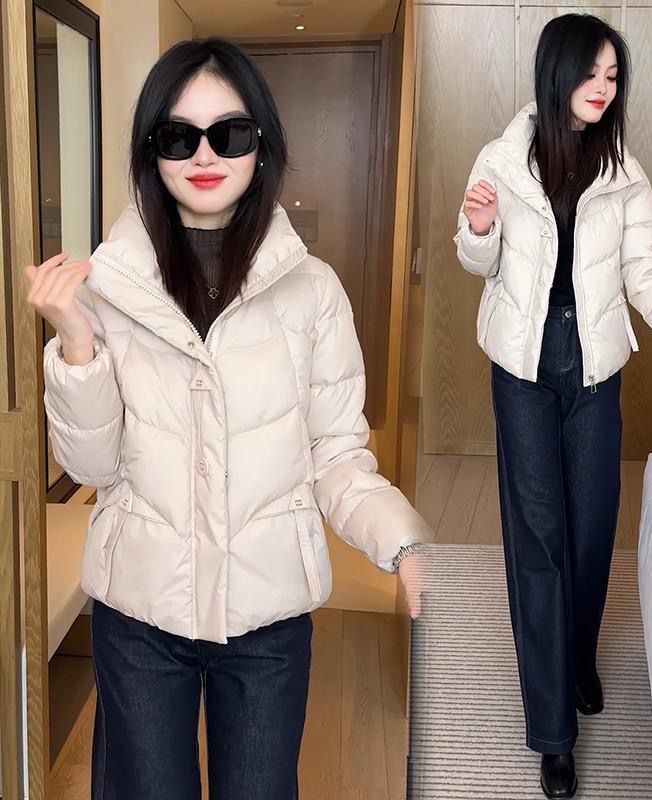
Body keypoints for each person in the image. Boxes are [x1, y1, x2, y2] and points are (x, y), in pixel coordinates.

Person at [25, 38, 427, 800]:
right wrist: (76, 344)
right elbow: (91, 469)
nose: (205, 154)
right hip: (140, 612)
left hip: (266, 618)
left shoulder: (314, 292)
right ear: (152, 152)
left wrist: (403, 542)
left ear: (261, 143)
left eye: (229, 133)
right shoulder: (106, 286)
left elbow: (338, 455)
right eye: (179, 136)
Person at [454, 14, 652, 799]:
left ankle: (576, 657)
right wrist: (478, 228)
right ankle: (554, 734)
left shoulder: (624, 172)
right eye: (590, 73)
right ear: (556, 72)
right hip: (522, 367)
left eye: (613, 76)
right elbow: (477, 257)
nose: (603, 88)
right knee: (539, 540)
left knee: (591, 528)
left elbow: (646, 273)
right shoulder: (502, 159)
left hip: (594, 365)